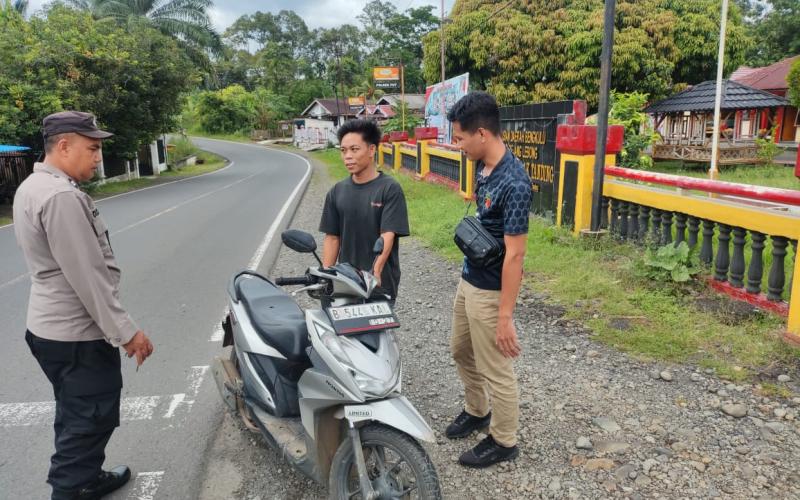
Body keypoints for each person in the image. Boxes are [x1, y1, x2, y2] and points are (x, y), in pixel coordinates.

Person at [13, 111, 154, 499]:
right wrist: (128, 333)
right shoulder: (60, 197)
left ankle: (88, 479)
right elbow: (88, 277)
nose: (97, 157)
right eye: (91, 148)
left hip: (49, 330)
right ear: (63, 146)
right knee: (87, 421)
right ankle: (71, 488)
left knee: (76, 411)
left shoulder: (32, 186)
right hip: (75, 335)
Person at [444, 92, 532, 468]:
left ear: (482, 133)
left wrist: (505, 317)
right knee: (460, 351)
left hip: (490, 290)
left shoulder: (515, 183)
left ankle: (504, 439)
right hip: (468, 279)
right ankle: (476, 410)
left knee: (496, 368)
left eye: (460, 139)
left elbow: (515, 255)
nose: (456, 145)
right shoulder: (483, 168)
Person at [319, 119, 409, 301]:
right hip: (345, 281)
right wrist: (326, 278)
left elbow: (387, 235)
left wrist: (375, 272)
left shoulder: (389, 189)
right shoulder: (336, 191)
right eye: (343, 151)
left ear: (372, 150)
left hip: (378, 282)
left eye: (354, 149)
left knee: (377, 330)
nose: (347, 156)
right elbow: (332, 237)